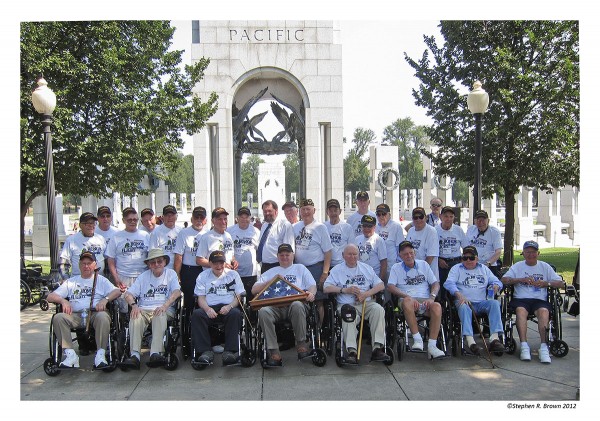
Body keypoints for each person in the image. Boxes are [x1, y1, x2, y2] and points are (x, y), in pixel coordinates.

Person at [47, 251, 121, 369]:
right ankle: (70, 355)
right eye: (83, 263)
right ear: (79, 265)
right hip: (75, 315)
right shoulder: (71, 281)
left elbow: (117, 291)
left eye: (89, 263)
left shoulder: (101, 280)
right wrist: (63, 301)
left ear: (95, 265)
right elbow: (50, 296)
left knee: (103, 317)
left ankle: (101, 355)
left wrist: (105, 300)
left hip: (95, 314)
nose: (86, 266)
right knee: (58, 318)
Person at [251, 243, 317, 366]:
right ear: (277, 257)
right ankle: (274, 352)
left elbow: (312, 286)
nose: (285, 257)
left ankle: (301, 345)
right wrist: (269, 282)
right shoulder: (271, 271)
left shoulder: (300, 268)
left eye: (287, 254)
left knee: (297, 304)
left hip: (296, 306)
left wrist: (311, 293)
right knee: (263, 311)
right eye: (282, 255)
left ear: (293, 255)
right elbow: (254, 290)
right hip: (275, 307)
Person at [323, 244, 389, 363]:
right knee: (348, 314)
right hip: (346, 305)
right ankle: (352, 351)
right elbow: (326, 287)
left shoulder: (367, 268)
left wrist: (366, 294)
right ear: (343, 255)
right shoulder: (337, 270)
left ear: (358, 255)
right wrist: (344, 290)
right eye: (349, 254)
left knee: (378, 309)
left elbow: (381, 285)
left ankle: (377, 348)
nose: (353, 257)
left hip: (366, 303)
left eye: (355, 254)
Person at [501, 241, 564, 364]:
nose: (531, 254)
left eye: (533, 252)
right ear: (523, 253)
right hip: (521, 299)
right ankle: (524, 345)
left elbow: (560, 283)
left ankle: (544, 346)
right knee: (520, 311)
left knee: (544, 312)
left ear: (538, 253)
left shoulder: (545, 267)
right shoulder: (517, 266)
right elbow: (504, 280)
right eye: (528, 252)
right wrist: (520, 279)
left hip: (539, 300)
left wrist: (546, 283)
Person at [121, 248, 182, 369]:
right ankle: (135, 355)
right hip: (144, 308)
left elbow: (177, 292)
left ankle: (155, 353)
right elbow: (128, 294)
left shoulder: (171, 274)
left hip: (164, 309)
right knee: (135, 315)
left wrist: (165, 305)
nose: (156, 264)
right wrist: (134, 306)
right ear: (149, 265)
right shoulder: (143, 277)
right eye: (153, 262)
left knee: (159, 314)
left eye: (159, 261)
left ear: (164, 262)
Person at [387, 241, 445, 359]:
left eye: (411, 253)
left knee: (437, 306)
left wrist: (432, 297)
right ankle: (417, 339)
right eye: (405, 254)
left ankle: (432, 346)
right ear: (400, 255)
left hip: (425, 299)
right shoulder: (396, 267)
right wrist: (406, 296)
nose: (409, 256)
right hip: (406, 300)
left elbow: (435, 283)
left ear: (414, 253)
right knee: (408, 301)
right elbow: (391, 286)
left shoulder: (424, 265)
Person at [444, 245, 505, 355]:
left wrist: (496, 285)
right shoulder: (456, 268)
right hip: (464, 301)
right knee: (463, 306)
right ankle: (470, 341)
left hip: (481, 302)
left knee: (495, 303)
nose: (468, 260)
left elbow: (497, 281)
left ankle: (494, 339)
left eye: (471, 258)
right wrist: (458, 294)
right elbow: (448, 283)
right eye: (465, 258)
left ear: (477, 258)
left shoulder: (484, 269)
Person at [191, 250, 245, 365]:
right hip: (210, 307)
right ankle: (205, 351)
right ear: (210, 263)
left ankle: (230, 351)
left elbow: (239, 296)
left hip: (228, 307)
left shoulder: (233, 274)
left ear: (225, 263)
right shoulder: (203, 276)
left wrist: (229, 307)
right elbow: (200, 297)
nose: (219, 266)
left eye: (221, 262)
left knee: (235, 313)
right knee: (197, 315)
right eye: (215, 263)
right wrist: (207, 309)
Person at [105, 207, 150, 315]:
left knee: (142, 307)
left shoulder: (145, 235)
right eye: (129, 220)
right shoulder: (116, 237)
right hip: (123, 277)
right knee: (125, 308)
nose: (133, 222)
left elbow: (150, 257)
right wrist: (116, 279)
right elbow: (110, 260)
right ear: (124, 220)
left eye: (135, 219)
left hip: (142, 276)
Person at [173, 206, 209, 313]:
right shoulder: (184, 233)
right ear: (191, 219)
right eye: (196, 218)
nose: (199, 221)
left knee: (204, 297)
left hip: (205, 270)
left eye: (201, 218)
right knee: (189, 299)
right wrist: (177, 275)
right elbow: (179, 256)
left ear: (205, 220)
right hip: (189, 270)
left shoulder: (208, 234)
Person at [59, 212, 107, 280]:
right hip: (78, 281)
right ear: (80, 225)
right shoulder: (71, 240)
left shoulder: (100, 239)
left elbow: (107, 260)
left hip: (98, 280)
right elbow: (63, 263)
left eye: (93, 223)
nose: (91, 225)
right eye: (87, 223)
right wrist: (66, 280)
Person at [227, 206, 260, 300]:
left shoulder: (256, 231)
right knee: (235, 298)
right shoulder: (229, 231)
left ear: (250, 218)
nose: (244, 219)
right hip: (234, 272)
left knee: (251, 299)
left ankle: (251, 315)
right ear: (237, 218)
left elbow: (259, 250)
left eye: (246, 217)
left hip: (251, 273)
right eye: (242, 217)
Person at [436, 206, 468, 296]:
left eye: (451, 216)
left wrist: (463, 260)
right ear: (440, 216)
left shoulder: (458, 230)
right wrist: (438, 260)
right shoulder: (435, 230)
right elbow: (431, 250)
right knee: (441, 288)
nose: (448, 219)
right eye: (446, 216)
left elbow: (466, 248)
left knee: (455, 287)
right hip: (440, 262)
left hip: (455, 262)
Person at [257, 200, 295, 273]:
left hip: (278, 266)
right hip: (264, 266)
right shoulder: (264, 225)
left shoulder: (284, 225)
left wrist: (287, 270)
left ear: (276, 211)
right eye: (265, 211)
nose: (267, 213)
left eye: (269, 211)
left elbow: (289, 250)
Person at [466, 210, 503, 278]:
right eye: (478, 220)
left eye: (483, 220)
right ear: (475, 221)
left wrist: (488, 263)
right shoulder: (471, 229)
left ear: (488, 221)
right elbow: (466, 247)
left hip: (489, 266)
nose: (481, 222)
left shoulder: (494, 232)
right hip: (472, 265)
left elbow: (498, 251)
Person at [406, 206, 440, 280]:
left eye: (421, 217)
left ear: (425, 218)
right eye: (415, 217)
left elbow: (430, 257)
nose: (418, 220)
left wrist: (418, 272)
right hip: (412, 273)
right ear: (412, 219)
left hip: (428, 275)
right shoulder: (411, 231)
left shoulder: (431, 231)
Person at [375, 203, 405, 279]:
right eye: (378, 214)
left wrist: (398, 267)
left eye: (383, 214)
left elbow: (401, 248)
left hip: (391, 268)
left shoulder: (396, 227)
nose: (381, 216)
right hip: (377, 267)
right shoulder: (375, 227)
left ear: (389, 215)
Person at [324, 198, 355, 269]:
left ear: (340, 211)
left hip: (342, 264)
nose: (333, 213)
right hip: (326, 265)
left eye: (335, 210)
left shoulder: (347, 227)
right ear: (327, 212)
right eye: (331, 211)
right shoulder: (323, 227)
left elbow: (351, 247)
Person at [355, 214, 387, 281]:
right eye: (364, 226)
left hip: (374, 276)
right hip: (360, 276)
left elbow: (384, 262)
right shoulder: (357, 239)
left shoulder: (379, 240)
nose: (366, 229)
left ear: (374, 227)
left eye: (369, 226)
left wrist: (380, 281)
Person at [148, 205, 181, 270]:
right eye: (167, 215)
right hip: (163, 269)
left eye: (172, 215)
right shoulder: (156, 232)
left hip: (179, 269)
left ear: (176, 217)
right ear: (163, 217)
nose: (170, 217)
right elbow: (152, 253)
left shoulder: (181, 231)